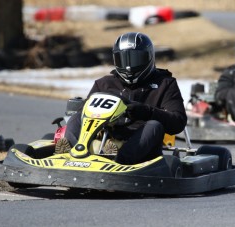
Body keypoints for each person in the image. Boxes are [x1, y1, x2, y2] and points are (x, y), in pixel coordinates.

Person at [57, 32, 187, 164]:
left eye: (135, 59)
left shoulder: (164, 84)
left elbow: (178, 122)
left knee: (155, 126)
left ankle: (118, 160)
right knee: (77, 117)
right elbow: (84, 115)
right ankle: (74, 153)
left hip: (140, 146)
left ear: (149, 57)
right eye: (123, 59)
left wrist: (147, 112)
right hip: (105, 137)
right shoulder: (104, 84)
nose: (129, 66)